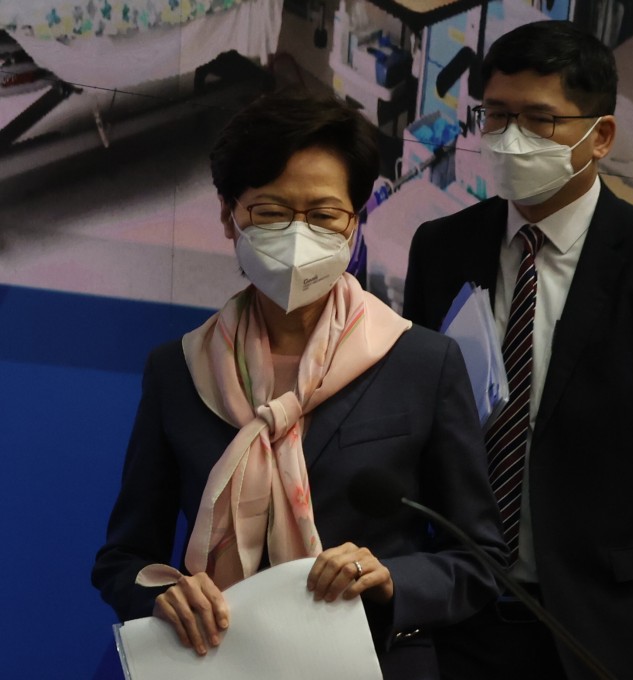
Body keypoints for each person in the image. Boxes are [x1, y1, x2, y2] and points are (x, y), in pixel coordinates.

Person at [91, 90, 507, 679]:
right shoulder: (178, 369)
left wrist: (391, 578)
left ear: (355, 222)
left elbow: (480, 560)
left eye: (323, 215)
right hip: (216, 664)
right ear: (228, 216)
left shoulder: (420, 360)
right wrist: (157, 591)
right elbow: (122, 557)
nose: (297, 234)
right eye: (271, 211)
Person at [402, 20, 633, 680]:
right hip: (458, 622)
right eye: (497, 115)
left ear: (601, 136)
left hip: (603, 630)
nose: (511, 140)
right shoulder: (440, 249)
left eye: (540, 120)